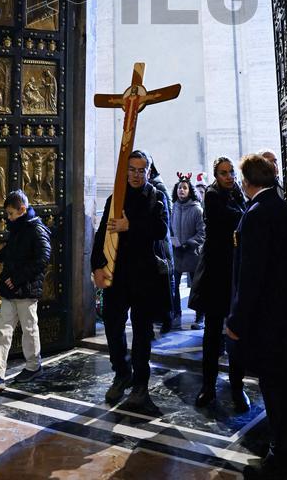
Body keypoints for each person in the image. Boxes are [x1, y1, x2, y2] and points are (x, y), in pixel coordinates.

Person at [226, 154, 287, 480]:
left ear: (247, 181)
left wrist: (236, 321)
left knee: (275, 389)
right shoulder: (282, 208)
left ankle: (280, 459)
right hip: (284, 311)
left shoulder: (257, 214)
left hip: (266, 319)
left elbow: (251, 275)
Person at [91, 149, 171, 413]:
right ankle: (121, 372)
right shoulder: (116, 197)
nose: (136, 175)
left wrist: (131, 226)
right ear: (125, 172)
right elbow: (102, 232)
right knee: (113, 328)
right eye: (132, 170)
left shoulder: (156, 196)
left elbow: (161, 230)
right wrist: (96, 266)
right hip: (117, 273)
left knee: (142, 333)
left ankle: (140, 384)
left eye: (141, 170)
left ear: (148, 172)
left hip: (143, 275)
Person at [189, 156, 248, 412]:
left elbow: (242, 217)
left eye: (231, 172)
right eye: (223, 173)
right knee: (212, 334)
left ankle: (237, 386)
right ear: (216, 175)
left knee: (236, 332)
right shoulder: (212, 196)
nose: (228, 177)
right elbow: (231, 219)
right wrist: (242, 214)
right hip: (215, 273)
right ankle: (208, 387)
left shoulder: (237, 194)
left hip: (234, 271)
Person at [0, 189, 52, 394]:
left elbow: (43, 259)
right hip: (11, 289)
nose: (9, 218)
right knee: (3, 331)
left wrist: (17, 279)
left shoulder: (36, 229)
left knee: (29, 329)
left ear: (22, 209)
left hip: (26, 289)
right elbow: (13, 250)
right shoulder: (18, 227)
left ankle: (33, 366)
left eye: (11, 214)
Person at [170, 176, 205, 328]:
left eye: (184, 188)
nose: (181, 190)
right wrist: (173, 241)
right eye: (179, 188)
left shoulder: (197, 209)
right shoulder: (174, 207)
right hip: (177, 253)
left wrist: (189, 243)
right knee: (174, 285)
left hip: (192, 253)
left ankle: (200, 317)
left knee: (197, 287)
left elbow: (202, 232)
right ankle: (176, 314)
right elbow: (170, 228)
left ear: (190, 191)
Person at [148, 155, 175, 334]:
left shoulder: (157, 188)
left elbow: (166, 216)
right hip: (150, 244)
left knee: (162, 285)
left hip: (159, 245)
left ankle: (166, 319)